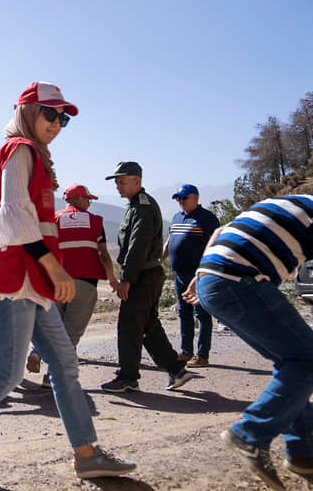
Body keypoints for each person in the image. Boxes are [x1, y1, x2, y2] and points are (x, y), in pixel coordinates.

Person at [0, 81, 135, 479]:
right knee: (6, 374)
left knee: (64, 364)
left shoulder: (32, 155)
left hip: (31, 284)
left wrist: (48, 272)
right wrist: (55, 268)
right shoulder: (19, 149)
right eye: (49, 113)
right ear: (26, 113)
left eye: (63, 118)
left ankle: (88, 453)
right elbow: (11, 219)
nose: (57, 123)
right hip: (12, 283)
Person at [183, 194, 313, 490]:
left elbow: (219, 232)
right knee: (306, 359)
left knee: (292, 362)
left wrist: (199, 272)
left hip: (212, 279)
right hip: (239, 281)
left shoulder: (289, 202)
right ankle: (249, 434)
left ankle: (304, 452)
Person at [100, 162, 193, 393]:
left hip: (142, 276)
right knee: (148, 325)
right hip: (148, 274)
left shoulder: (142, 206)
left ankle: (128, 377)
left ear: (137, 182)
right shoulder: (137, 205)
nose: (118, 186)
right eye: (116, 182)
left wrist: (126, 279)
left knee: (130, 325)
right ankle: (176, 369)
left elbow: (137, 245)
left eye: (122, 181)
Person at [26, 184, 119, 387]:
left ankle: (38, 351)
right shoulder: (95, 221)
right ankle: (52, 377)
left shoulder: (54, 219)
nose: (89, 203)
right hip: (84, 283)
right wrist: (112, 279)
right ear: (80, 199)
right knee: (70, 333)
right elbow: (104, 256)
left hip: (56, 282)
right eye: (88, 199)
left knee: (53, 327)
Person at [162, 184, 220, 367]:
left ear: (195, 197)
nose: (180, 202)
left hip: (199, 276)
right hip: (179, 274)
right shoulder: (177, 217)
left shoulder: (207, 218)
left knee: (201, 314)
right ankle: (186, 352)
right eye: (178, 198)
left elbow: (215, 245)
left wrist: (206, 271)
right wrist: (158, 259)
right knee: (183, 313)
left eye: (184, 198)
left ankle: (202, 356)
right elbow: (170, 241)